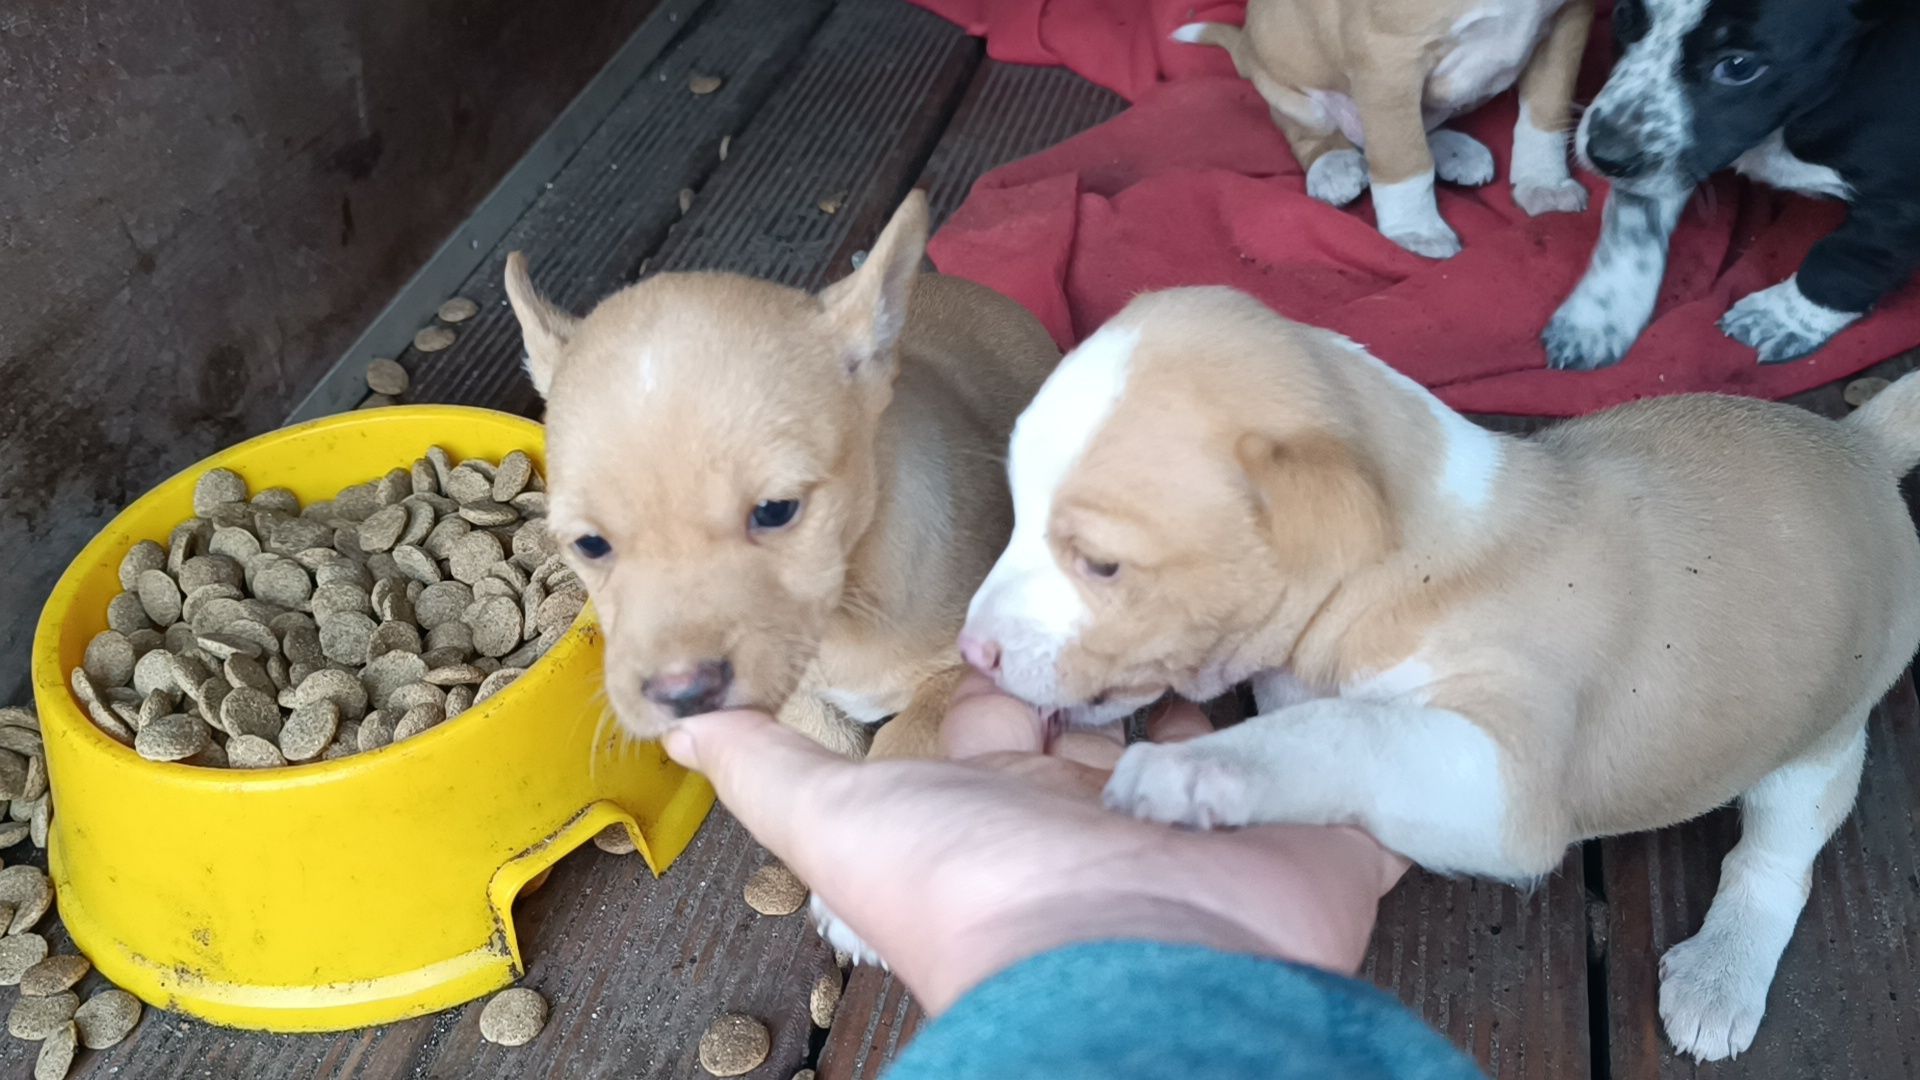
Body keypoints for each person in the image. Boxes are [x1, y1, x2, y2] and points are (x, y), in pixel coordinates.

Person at [662, 672, 1488, 1079]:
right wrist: (713, 732)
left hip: (1259, 920)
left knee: (1366, 835)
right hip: (1004, 869)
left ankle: (1425, 751)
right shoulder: (898, 847)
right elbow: (779, 780)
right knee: (993, 737)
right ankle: (1183, 729)